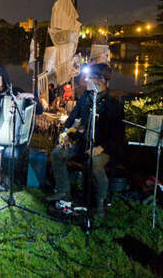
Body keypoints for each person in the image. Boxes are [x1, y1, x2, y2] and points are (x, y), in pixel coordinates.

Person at [46, 63, 124, 217]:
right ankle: (63, 192)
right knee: (57, 153)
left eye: (90, 77)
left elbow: (118, 135)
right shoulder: (86, 97)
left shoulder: (113, 103)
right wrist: (67, 134)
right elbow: (72, 119)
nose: (86, 80)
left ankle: (100, 203)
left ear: (101, 80)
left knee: (93, 163)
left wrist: (100, 148)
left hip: (104, 147)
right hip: (83, 143)